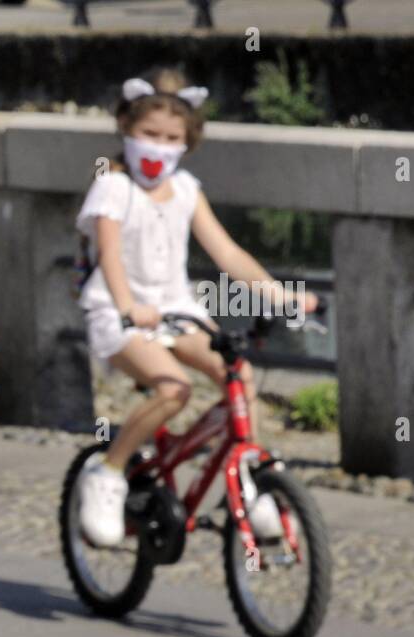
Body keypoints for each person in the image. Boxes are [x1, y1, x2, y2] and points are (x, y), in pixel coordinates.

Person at [75, 69, 318, 547]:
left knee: (239, 376)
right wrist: (128, 307)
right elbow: (109, 253)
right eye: (149, 135)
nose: (159, 147)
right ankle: (108, 472)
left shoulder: (186, 187)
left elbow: (227, 253)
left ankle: (246, 485)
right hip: (118, 311)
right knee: (174, 389)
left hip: (177, 309)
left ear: (188, 142)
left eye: (172, 138)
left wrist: (279, 294)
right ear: (126, 129)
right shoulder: (113, 186)